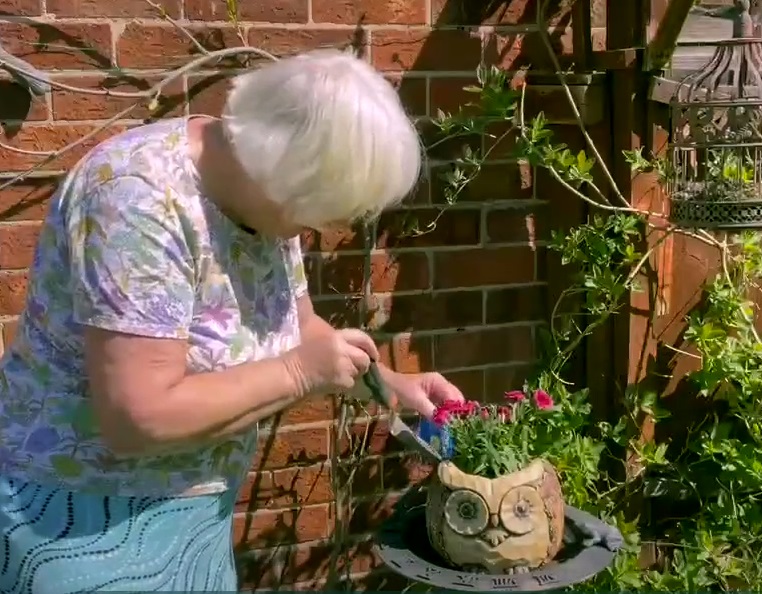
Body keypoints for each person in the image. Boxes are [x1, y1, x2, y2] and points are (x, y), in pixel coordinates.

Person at [0, 49, 465, 593]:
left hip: (192, 520)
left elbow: (299, 325)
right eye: (324, 209)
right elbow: (137, 417)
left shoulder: (258, 195)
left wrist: (388, 385)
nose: (324, 225)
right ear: (288, 172)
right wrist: (297, 375)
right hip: (80, 521)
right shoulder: (137, 200)